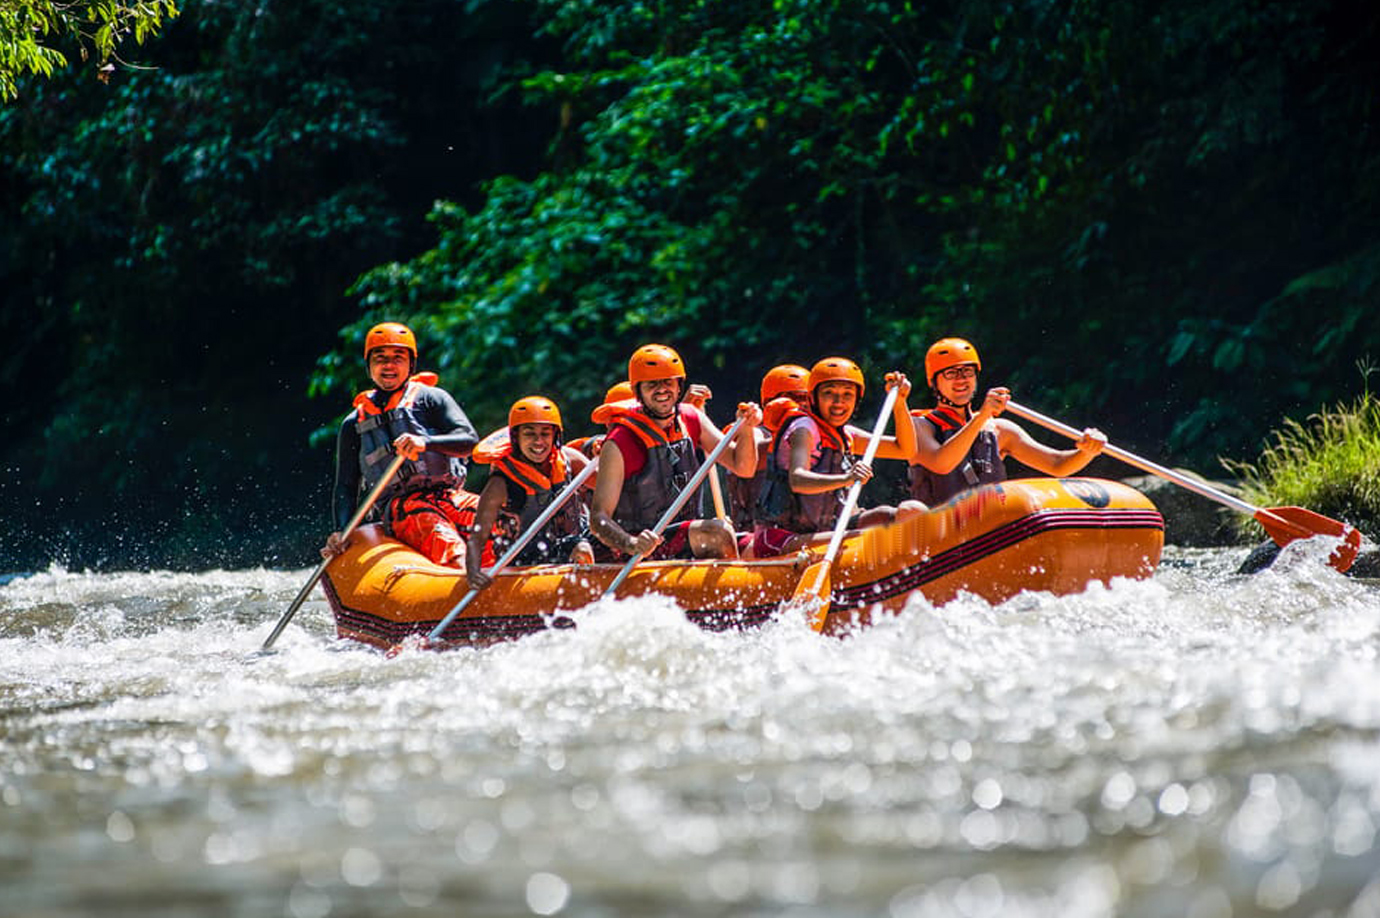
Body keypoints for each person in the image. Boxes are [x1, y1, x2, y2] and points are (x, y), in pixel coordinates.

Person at [322, 322, 480, 565]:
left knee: (498, 521)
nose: (389, 365)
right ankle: (461, 571)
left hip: (449, 496)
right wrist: (341, 530)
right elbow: (345, 486)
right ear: (369, 366)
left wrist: (425, 442)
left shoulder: (431, 399)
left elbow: (469, 441)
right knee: (438, 533)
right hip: (401, 507)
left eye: (398, 357)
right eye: (380, 358)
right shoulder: (353, 424)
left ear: (410, 364)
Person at [589, 343, 761, 562]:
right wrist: (631, 544)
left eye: (668, 382)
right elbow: (598, 518)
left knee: (755, 546)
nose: (662, 389)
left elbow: (744, 467)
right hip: (643, 544)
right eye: (652, 384)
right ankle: (738, 591)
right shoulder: (619, 442)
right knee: (718, 533)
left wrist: (746, 429)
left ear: (679, 386)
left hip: (685, 536)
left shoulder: (691, 418)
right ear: (637, 391)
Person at [752, 358, 926, 557]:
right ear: (814, 398)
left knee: (912, 511)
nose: (839, 402)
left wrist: (900, 404)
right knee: (874, 536)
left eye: (847, 395)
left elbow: (905, 450)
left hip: (825, 530)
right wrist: (846, 479)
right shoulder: (802, 428)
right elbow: (798, 480)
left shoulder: (845, 434)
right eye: (829, 393)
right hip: (781, 537)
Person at [909, 337, 1107, 505]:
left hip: (987, 523)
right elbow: (941, 463)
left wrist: (1086, 452)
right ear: (934, 382)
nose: (961, 379)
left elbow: (1057, 464)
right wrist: (982, 417)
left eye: (967, 372)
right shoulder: (919, 426)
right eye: (951, 373)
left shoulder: (998, 430)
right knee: (910, 509)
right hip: (939, 528)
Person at [465, 397, 594, 589]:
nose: (538, 441)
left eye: (545, 434)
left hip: (572, 539)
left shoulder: (570, 460)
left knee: (583, 545)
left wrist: (603, 454)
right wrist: (473, 571)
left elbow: (610, 486)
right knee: (580, 548)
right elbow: (478, 535)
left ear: (555, 436)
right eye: (529, 434)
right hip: (525, 555)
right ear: (516, 437)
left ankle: (590, 586)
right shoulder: (500, 485)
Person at [725, 364, 809, 532]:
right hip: (755, 537)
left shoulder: (815, 433)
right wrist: (748, 425)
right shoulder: (750, 433)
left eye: (805, 398)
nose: (801, 405)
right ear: (770, 403)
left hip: (805, 531)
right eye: (793, 398)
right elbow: (743, 447)